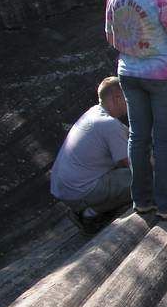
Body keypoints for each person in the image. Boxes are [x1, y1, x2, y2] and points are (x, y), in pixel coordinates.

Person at [106, 0, 167, 220]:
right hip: (163, 75)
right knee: (164, 140)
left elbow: (110, 36)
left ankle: (141, 200)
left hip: (128, 73)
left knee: (137, 137)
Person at [50, 77, 130, 233]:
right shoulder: (109, 124)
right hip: (81, 190)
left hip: (65, 188)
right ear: (117, 98)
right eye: (128, 98)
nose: (130, 103)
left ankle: (92, 207)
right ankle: (89, 213)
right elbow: (129, 163)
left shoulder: (93, 113)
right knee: (147, 179)